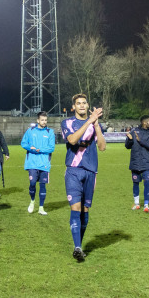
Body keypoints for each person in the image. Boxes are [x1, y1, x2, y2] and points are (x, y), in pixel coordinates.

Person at [61, 93, 106, 262]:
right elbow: (72, 140)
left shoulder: (94, 124)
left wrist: (97, 126)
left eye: (84, 103)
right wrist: (89, 121)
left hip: (90, 171)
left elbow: (102, 147)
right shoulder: (67, 122)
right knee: (76, 208)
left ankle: (78, 246)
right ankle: (77, 247)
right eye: (78, 103)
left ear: (88, 106)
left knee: (85, 211)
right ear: (74, 107)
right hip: (73, 170)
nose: (81, 105)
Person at [21, 111, 55, 215]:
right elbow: (23, 143)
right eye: (42, 120)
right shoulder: (30, 131)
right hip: (32, 162)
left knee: (43, 185)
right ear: (38, 120)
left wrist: (39, 149)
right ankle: (32, 201)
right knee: (32, 183)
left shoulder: (50, 132)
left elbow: (51, 148)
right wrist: (31, 149)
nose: (44, 122)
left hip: (44, 163)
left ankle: (41, 207)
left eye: (45, 120)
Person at [125, 115, 149, 212]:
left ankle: (146, 205)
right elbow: (127, 146)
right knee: (135, 183)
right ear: (144, 122)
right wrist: (130, 140)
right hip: (135, 162)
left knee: (147, 183)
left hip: (147, 162)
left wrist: (140, 141)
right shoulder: (134, 131)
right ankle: (137, 203)